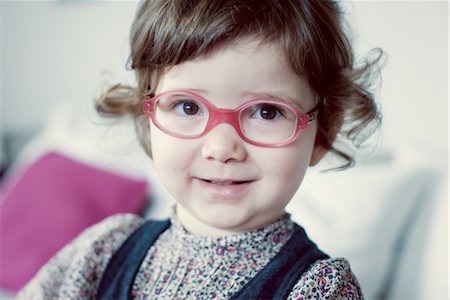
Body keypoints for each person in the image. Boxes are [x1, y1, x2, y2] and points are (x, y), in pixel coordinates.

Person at [18, 0, 383, 299]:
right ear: (148, 117)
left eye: (267, 111)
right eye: (188, 107)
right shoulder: (105, 248)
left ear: (322, 136)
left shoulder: (318, 290)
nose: (222, 148)